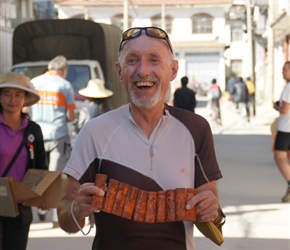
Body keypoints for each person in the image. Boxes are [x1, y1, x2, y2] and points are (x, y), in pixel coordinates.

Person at [58, 26, 225, 249]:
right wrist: (77, 209)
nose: (143, 71)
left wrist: (213, 213)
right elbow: (64, 217)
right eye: (133, 60)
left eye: (154, 60)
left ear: (173, 70)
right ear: (119, 71)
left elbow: (212, 214)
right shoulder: (94, 132)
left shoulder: (196, 129)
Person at [0, 72, 47, 250]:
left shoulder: (33, 130)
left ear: (25, 98)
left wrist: (43, 194)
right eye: (7, 94)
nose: (12, 99)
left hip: (20, 206)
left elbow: (41, 166)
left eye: (18, 94)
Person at [31, 55, 76, 227]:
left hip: (38, 135)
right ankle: (56, 217)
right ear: (64, 71)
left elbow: (26, 108)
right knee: (56, 175)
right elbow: (70, 116)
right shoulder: (65, 85)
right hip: (58, 134)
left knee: (40, 172)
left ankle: (40, 208)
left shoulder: (35, 82)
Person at [273, 61, 290, 203]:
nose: (282, 72)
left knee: (279, 157)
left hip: (286, 129)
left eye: (285, 69)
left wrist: (276, 107)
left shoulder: (288, 88)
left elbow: (284, 109)